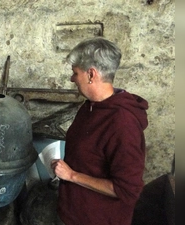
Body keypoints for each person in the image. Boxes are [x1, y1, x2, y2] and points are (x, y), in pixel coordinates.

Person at [51, 37, 148, 225]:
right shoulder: (91, 107)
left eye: (75, 73)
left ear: (91, 74)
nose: (72, 78)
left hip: (98, 218)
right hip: (75, 212)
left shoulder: (122, 123)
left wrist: (72, 175)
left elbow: (127, 190)